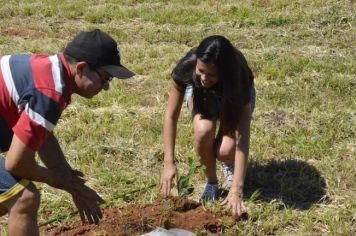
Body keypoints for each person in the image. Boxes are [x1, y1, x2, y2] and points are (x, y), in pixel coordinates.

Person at [0, 29, 134, 235]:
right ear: (81, 68)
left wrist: (73, 184)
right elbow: (16, 163)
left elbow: (41, 136)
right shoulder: (50, 92)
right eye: (105, 78)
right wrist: (55, 179)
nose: (105, 87)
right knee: (23, 198)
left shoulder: (52, 72)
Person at [160, 35, 255, 218]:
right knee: (204, 130)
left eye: (211, 74)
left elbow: (242, 135)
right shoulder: (187, 67)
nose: (204, 78)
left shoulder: (238, 78)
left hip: (232, 96)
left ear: (224, 72)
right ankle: (212, 182)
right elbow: (171, 115)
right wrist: (169, 162)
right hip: (201, 97)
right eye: (201, 71)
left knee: (225, 151)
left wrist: (237, 188)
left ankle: (230, 167)